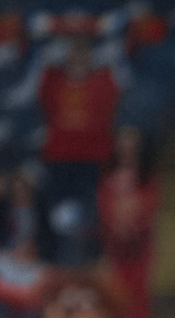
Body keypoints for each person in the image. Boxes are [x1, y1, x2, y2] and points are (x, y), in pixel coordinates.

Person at [40, 39, 121, 239]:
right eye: (73, 54)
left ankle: (90, 256)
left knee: (92, 214)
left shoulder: (103, 81)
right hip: (59, 156)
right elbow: (44, 101)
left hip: (93, 156)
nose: (78, 59)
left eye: (83, 54)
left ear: (91, 58)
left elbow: (113, 102)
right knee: (58, 216)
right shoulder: (53, 80)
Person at [97, 127, 160, 318]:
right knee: (118, 288)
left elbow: (151, 202)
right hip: (116, 241)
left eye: (132, 144)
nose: (127, 149)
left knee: (139, 287)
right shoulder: (108, 174)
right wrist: (117, 221)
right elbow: (104, 204)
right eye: (123, 144)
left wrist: (133, 218)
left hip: (139, 240)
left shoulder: (146, 175)